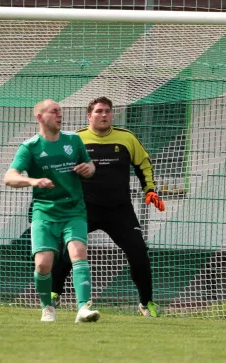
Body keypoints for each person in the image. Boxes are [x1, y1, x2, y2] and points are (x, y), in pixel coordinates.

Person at [50, 97, 166, 317]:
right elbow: (60, 169)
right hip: (84, 210)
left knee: (139, 252)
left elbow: (143, 163)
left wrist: (149, 189)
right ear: (89, 115)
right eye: (99, 111)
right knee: (66, 250)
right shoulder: (76, 139)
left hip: (120, 211)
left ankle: (146, 303)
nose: (104, 115)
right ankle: (55, 293)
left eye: (107, 112)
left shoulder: (126, 138)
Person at [4, 99, 100, 323]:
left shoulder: (73, 140)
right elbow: (9, 177)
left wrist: (89, 168)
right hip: (44, 213)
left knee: (78, 253)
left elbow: (90, 165)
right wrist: (34, 181)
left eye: (61, 111)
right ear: (40, 117)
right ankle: (48, 308)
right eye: (54, 111)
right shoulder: (30, 147)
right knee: (42, 264)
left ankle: (83, 309)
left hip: (73, 210)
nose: (60, 115)